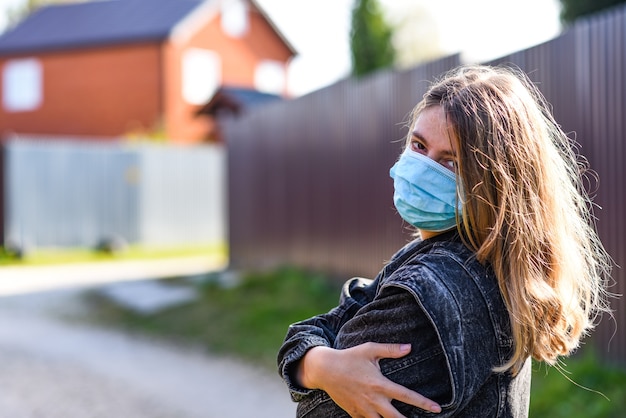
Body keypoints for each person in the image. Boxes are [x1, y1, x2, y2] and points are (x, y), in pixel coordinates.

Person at [277, 64, 612, 417]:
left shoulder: (432, 286)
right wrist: (320, 365)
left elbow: (318, 410)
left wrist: (316, 366)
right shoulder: (481, 264)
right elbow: (324, 325)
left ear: (496, 185)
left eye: (450, 163)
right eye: (418, 145)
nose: (423, 168)